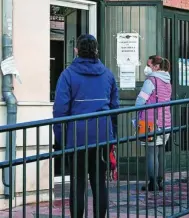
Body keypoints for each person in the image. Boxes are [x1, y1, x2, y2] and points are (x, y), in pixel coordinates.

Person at [53, 34, 119, 218]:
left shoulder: (68, 74)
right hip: (102, 135)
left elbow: (60, 110)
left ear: (76, 50)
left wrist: (61, 139)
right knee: (99, 182)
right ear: (96, 50)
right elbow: (115, 107)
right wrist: (113, 134)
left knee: (77, 183)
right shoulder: (107, 74)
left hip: (77, 137)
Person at [135, 55, 172, 191]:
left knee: (151, 153)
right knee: (161, 152)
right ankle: (160, 182)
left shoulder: (151, 80)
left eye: (149, 65)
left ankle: (152, 183)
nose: (146, 68)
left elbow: (140, 100)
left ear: (156, 67)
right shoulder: (167, 81)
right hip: (166, 121)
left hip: (151, 122)